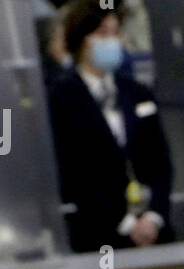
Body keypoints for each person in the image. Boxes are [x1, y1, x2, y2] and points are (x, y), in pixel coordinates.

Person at [49, 0, 174, 254]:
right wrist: (126, 223)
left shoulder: (137, 92)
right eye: (102, 33)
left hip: (154, 232)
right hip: (99, 236)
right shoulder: (61, 98)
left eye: (115, 33)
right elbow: (72, 174)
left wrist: (154, 216)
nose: (111, 41)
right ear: (82, 39)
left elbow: (160, 161)